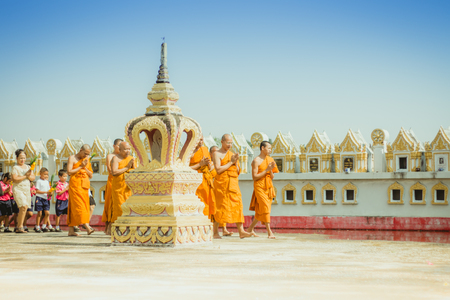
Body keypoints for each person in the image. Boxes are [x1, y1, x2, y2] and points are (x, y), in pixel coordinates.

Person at [212, 134, 251, 239]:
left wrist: (235, 162)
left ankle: (241, 231)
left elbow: (237, 171)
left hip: (233, 184)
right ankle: (215, 232)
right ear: (222, 142)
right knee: (220, 207)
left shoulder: (231, 154)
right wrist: (231, 162)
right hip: (222, 185)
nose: (230, 145)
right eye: (228, 142)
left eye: (231, 143)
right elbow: (219, 170)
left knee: (238, 206)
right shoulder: (217, 154)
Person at [247, 141, 279, 239]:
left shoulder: (270, 160)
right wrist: (266, 170)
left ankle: (250, 229)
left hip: (268, 186)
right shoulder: (256, 160)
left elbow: (272, 176)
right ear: (262, 148)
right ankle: (269, 232)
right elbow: (255, 177)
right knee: (265, 207)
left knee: (262, 210)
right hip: (259, 186)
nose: (270, 150)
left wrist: (269, 170)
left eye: (270, 148)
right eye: (268, 148)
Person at [67, 144, 94, 236]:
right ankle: (87, 227)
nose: (86, 156)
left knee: (78, 207)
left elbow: (91, 175)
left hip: (84, 186)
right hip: (75, 185)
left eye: (88, 154)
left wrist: (84, 167)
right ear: (81, 150)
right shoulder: (72, 158)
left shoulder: (87, 160)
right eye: (85, 153)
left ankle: (71, 231)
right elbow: (69, 172)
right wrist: (80, 167)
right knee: (79, 206)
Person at [190, 136, 217, 220]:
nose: (200, 142)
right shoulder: (188, 152)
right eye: (198, 139)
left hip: (205, 180)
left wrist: (211, 166)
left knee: (207, 201)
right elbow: (184, 168)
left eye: (202, 140)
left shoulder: (204, 149)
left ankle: (206, 221)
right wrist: (199, 165)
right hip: (194, 180)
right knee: (197, 201)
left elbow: (209, 166)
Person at [110, 142, 135, 226]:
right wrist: (127, 168)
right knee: (119, 207)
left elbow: (135, 172)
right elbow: (114, 172)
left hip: (128, 188)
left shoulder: (131, 158)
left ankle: (128, 227)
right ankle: (117, 227)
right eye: (125, 149)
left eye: (129, 149)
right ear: (120, 150)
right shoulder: (115, 158)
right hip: (118, 187)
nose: (128, 151)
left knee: (129, 207)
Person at [11, 149, 35, 233]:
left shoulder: (28, 167)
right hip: (18, 189)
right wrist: (25, 176)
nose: (22, 160)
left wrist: (28, 176)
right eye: (21, 158)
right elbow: (15, 179)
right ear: (17, 158)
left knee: (24, 208)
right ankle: (20, 226)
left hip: (26, 189)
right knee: (23, 206)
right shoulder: (15, 167)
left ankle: (19, 226)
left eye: (24, 158)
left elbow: (32, 178)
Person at [102, 138, 122, 235]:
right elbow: (111, 171)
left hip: (121, 183)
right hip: (112, 182)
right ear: (114, 146)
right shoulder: (110, 156)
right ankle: (108, 227)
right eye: (119, 145)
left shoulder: (124, 157)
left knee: (119, 204)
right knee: (110, 204)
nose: (121, 148)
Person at [210, 145, 232, 236]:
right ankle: (215, 230)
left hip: (223, 185)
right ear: (211, 153)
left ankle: (224, 229)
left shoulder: (222, 161)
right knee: (217, 208)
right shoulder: (210, 163)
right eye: (214, 151)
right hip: (212, 186)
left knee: (223, 206)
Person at [34, 168, 53, 232]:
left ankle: (44, 225)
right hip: (39, 198)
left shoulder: (47, 182)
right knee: (39, 213)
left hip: (45, 198)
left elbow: (48, 190)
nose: (46, 176)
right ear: (40, 173)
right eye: (44, 174)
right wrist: (45, 192)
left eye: (47, 174)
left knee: (47, 213)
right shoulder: (39, 181)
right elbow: (37, 191)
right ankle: (37, 226)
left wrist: (50, 192)